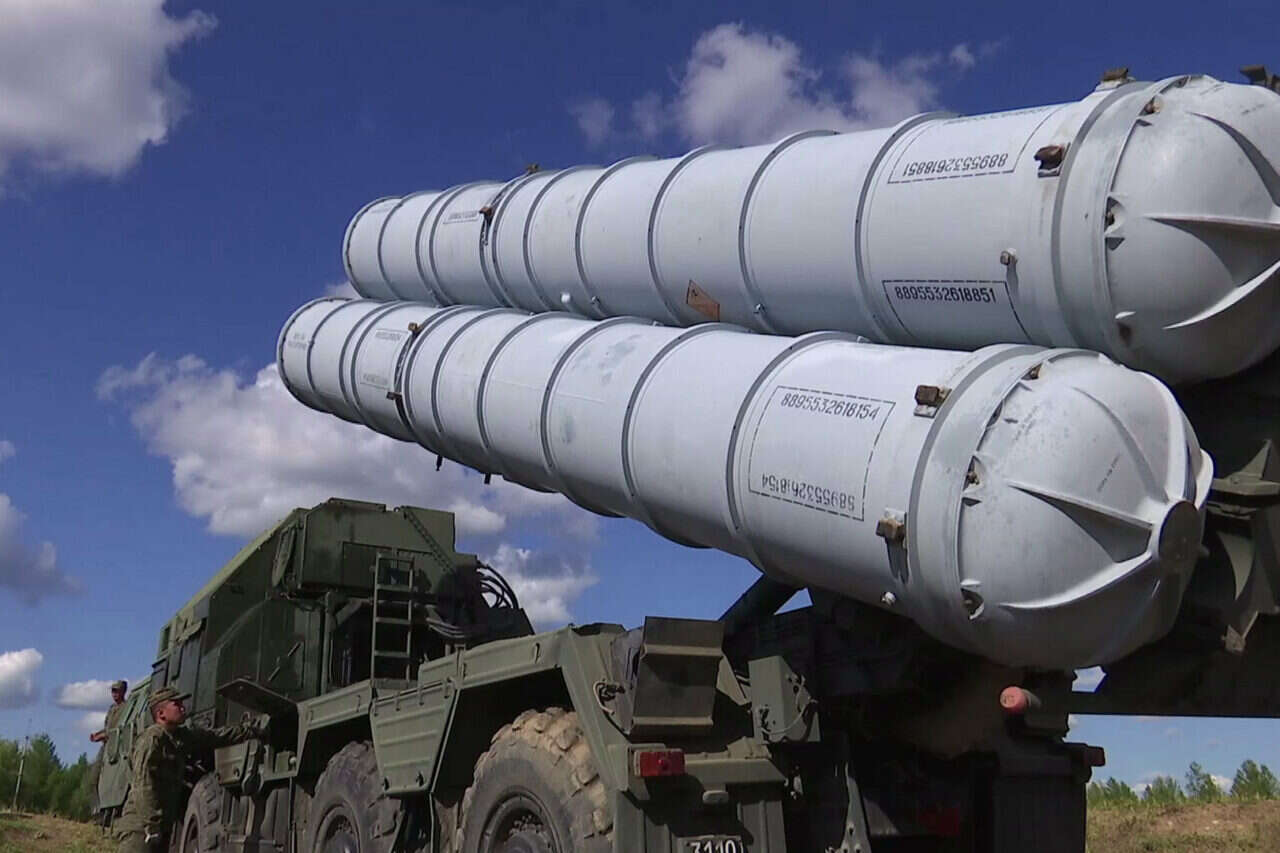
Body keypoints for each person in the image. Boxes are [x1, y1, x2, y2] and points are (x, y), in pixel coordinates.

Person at [114, 686, 263, 853]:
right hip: (140, 827)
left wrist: (248, 730)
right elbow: (143, 784)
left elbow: (215, 736)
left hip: (159, 827)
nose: (183, 708)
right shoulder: (152, 740)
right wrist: (152, 824)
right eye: (176, 704)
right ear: (161, 713)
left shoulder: (180, 737)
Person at [88, 680, 128, 810]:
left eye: (116, 691)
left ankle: (104, 809)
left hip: (116, 747)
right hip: (106, 747)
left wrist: (105, 735)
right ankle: (97, 809)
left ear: (123, 692)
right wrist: (97, 735)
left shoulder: (126, 708)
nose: (114, 694)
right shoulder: (112, 709)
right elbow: (107, 728)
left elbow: (120, 729)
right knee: (93, 778)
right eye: (112, 691)